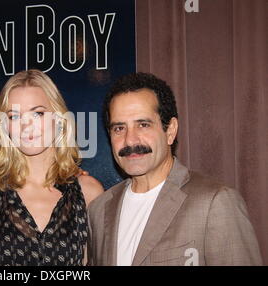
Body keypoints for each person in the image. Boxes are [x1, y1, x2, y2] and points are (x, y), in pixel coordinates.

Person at [87, 72, 262, 266]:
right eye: (119, 128)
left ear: (170, 130)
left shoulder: (214, 203)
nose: (130, 140)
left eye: (143, 125)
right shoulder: (99, 210)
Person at [0, 69, 103, 266]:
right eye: (14, 116)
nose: (26, 126)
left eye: (38, 113)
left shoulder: (89, 192)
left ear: (59, 119)